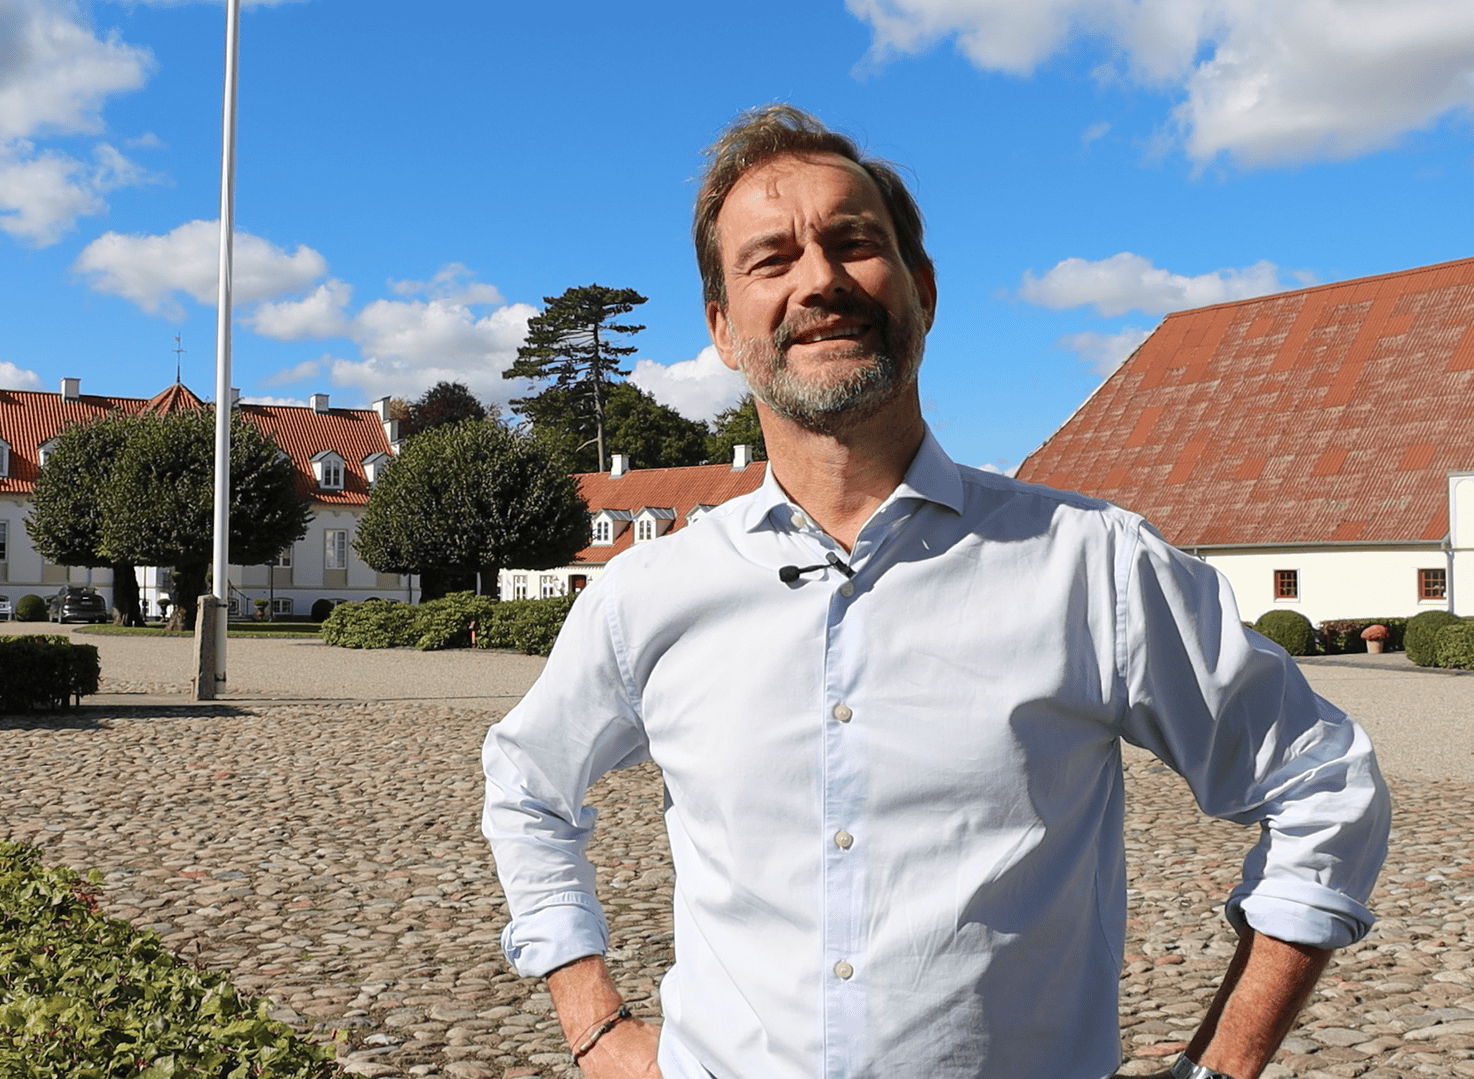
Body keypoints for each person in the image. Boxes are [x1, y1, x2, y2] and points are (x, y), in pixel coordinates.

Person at [480, 104, 1390, 1079]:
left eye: (852, 242)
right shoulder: (649, 592)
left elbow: (1321, 783)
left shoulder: (1091, 565)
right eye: (770, 259)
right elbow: (528, 782)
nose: (819, 279)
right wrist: (594, 1022)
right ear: (721, 329)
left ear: (920, 288)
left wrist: (1220, 1065)